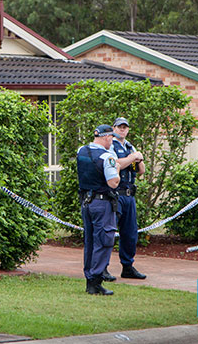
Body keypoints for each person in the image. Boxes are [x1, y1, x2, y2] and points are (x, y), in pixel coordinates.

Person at [76, 124, 121, 295]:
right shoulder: (106, 156)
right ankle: (95, 280)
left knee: (89, 241)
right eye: (111, 138)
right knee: (103, 240)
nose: (112, 142)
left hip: (86, 202)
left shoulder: (81, 150)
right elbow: (113, 182)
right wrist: (116, 167)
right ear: (106, 137)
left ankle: (90, 279)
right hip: (102, 204)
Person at [102, 117, 146, 281]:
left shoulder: (129, 146)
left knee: (130, 233)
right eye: (119, 127)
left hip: (129, 194)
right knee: (109, 232)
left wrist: (138, 158)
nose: (122, 130)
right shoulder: (110, 146)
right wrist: (133, 157)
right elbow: (117, 164)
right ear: (113, 128)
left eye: (125, 127)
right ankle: (103, 268)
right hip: (115, 194)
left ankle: (127, 267)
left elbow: (141, 170)